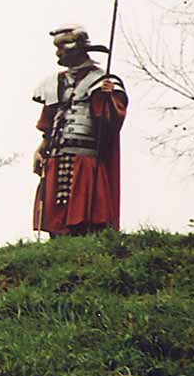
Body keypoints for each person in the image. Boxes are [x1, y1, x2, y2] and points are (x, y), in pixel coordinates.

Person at [31, 24, 128, 236]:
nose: (58, 53)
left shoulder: (102, 80)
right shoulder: (55, 82)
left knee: (87, 213)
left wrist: (106, 98)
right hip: (56, 154)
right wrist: (40, 149)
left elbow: (110, 122)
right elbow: (49, 122)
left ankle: (86, 243)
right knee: (56, 213)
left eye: (63, 48)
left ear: (77, 50)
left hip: (85, 157)